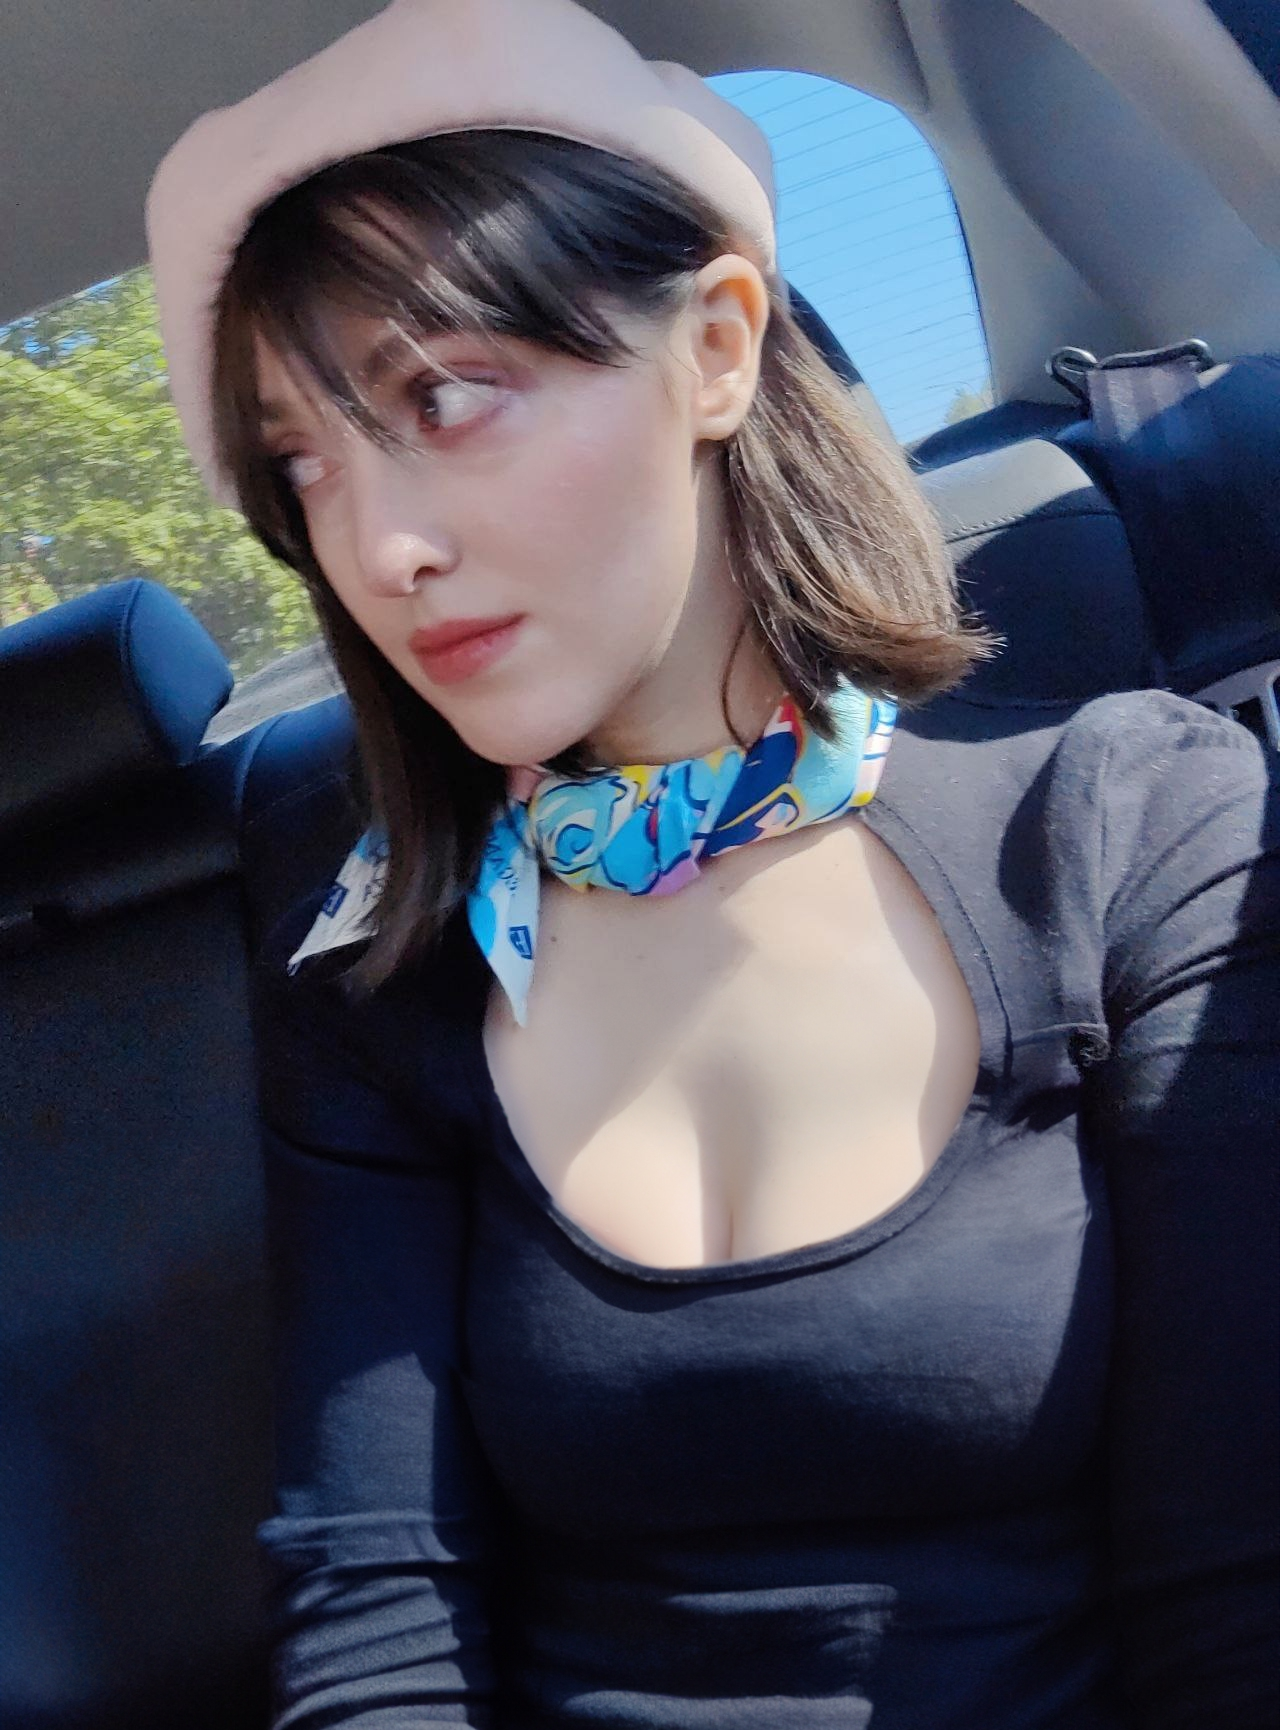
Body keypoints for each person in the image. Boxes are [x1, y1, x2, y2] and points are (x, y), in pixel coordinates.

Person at [146, 1, 1279, 1724]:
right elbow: (378, 1614)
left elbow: (1241, 1607)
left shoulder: (1128, 828)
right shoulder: (386, 971)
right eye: (301, 463)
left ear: (719, 345)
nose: (378, 547)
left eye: (444, 395)